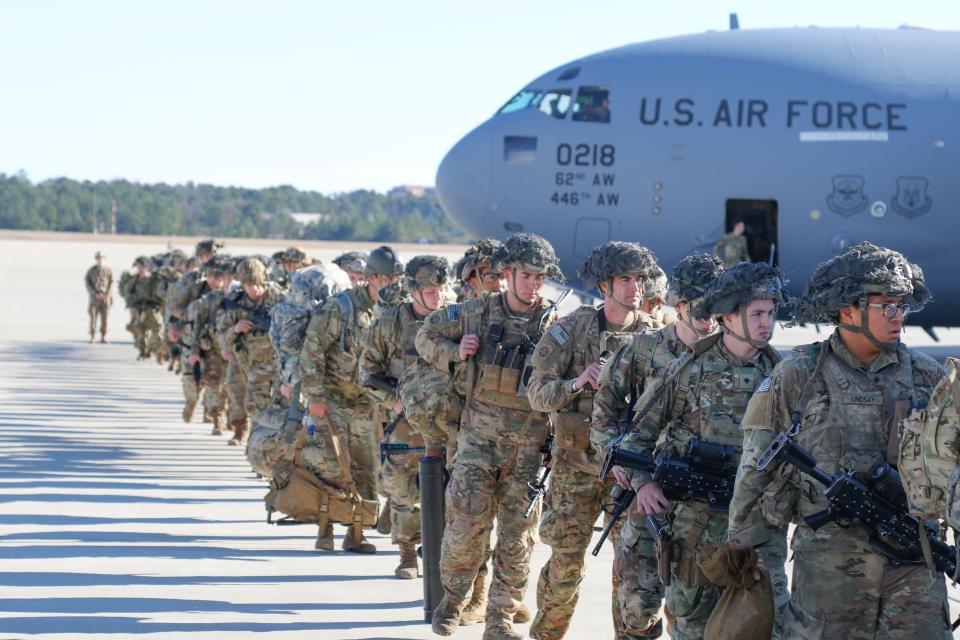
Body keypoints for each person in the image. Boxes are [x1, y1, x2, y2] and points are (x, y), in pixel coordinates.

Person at [728, 241, 949, 639]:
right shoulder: (799, 375)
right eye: (886, 306)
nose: (898, 316)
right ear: (847, 309)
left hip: (916, 565)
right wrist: (762, 579)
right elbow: (753, 479)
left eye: (902, 305)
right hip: (829, 573)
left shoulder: (927, 377)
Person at [617, 262, 787, 640]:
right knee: (694, 627)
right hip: (695, 529)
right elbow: (635, 440)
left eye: (771, 313)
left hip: (759, 529)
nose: (767, 323)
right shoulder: (686, 371)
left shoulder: (784, 376)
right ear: (727, 316)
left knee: (771, 625)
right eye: (757, 313)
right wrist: (644, 485)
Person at [416, 232, 563, 640]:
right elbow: (425, 337)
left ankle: (499, 620)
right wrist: (455, 350)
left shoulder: (555, 324)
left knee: (518, 540)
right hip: (478, 444)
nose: (534, 285)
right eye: (527, 275)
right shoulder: (476, 312)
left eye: (541, 277)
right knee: (464, 530)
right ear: (509, 273)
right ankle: (452, 601)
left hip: (528, 450)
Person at [525, 242, 661, 640]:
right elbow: (536, 395)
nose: (635, 287)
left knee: (634, 571)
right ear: (605, 285)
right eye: (625, 279)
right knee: (566, 567)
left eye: (639, 279)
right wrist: (577, 382)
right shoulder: (572, 329)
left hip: (628, 474)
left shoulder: (654, 336)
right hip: (575, 470)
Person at [591, 253, 724, 639]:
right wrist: (630, 469)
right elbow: (603, 415)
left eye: (717, 306)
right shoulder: (642, 350)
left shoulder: (730, 358)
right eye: (700, 305)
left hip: (703, 504)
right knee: (638, 605)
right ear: (679, 305)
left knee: (694, 609)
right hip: (644, 497)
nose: (709, 316)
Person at [300, 245, 402, 553]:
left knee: (366, 469)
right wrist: (315, 397)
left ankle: (357, 532)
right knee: (330, 468)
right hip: (331, 401)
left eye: (395, 281)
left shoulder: (390, 313)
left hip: (366, 405)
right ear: (371, 278)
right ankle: (325, 529)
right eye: (386, 280)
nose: (391, 286)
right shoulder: (338, 308)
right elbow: (312, 352)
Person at [360, 255, 449, 579]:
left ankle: (445, 555)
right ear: (413, 290)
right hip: (405, 421)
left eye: (441, 290)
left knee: (453, 488)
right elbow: (368, 372)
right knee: (401, 485)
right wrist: (393, 403)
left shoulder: (454, 319)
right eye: (429, 291)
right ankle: (408, 553)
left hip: (445, 419)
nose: (437, 297)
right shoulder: (389, 324)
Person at [217, 258, 284, 444]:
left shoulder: (279, 298)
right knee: (250, 403)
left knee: (281, 408)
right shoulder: (235, 302)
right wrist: (235, 329)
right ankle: (251, 440)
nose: (253, 289)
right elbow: (221, 336)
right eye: (248, 285)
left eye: (256, 284)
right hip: (248, 362)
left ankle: (275, 447)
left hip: (278, 364)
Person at [187, 256, 232, 436]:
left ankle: (233, 417)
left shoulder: (238, 299)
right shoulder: (210, 299)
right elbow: (196, 326)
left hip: (234, 351)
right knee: (214, 384)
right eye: (220, 278)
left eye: (226, 278)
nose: (223, 281)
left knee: (231, 386)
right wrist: (194, 351)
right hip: (212, 349)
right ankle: (217, 419)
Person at [85, 251, 113, 343]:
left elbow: (111, 283)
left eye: (102, 257)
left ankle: (104, 336)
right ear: (96, 259)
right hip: (95, 298)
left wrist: (106, 294)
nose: (100, 259)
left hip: (105, 298)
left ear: (105, 259)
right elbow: (88, 283)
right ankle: (93, 336)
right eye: (98, 258)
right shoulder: (91, 271)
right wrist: (94, 293)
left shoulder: (108, 270)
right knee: (93, 317)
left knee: (105, 318)